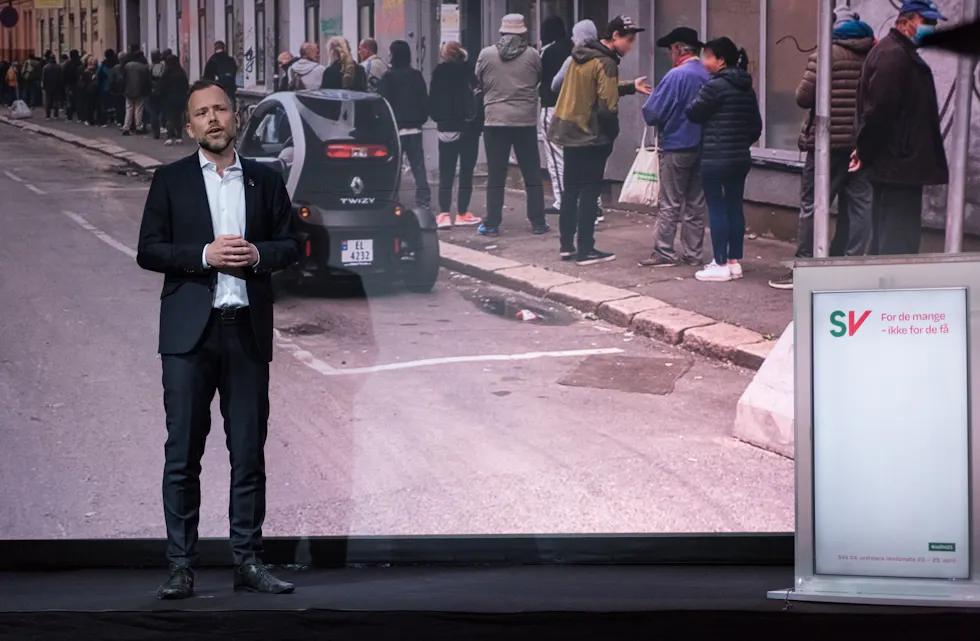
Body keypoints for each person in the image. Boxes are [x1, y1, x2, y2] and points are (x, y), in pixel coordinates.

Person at [136, 79, 300, 600]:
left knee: (248, 453)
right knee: (182, 454)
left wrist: (259, 255)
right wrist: (204, 256)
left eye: (221, 109)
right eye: (202, 112)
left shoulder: (265, 179)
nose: (213, 119)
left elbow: (292, 243)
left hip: (245, 331)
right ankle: (181, 566)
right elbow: (149, 249)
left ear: (236, 117)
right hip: (189, 336)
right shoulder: (170, 180)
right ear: (190, 127)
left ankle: (248, 561)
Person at [769, 8, 876, 290]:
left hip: (826, 145)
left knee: (813, 205)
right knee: (860, 206)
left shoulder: (825, 54)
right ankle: (854, 266)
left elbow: (803, 97)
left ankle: (806, 267)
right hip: (860, 144)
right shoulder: (872, 54)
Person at [547, 15, 652, 265]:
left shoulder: (579, 56)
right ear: (615, 36)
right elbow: (607, 106)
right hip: (592, 135)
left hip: (569, 131)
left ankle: (566, 246)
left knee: (571, 191)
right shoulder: (606, 62)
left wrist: (629, 86)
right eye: (629, 40)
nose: (630, 46)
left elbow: (590, 90)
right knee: (589, 191)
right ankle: (586, 249)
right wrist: (612, 133)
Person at [852, 0, 949, 255]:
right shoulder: (894, 56)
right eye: (926, 22)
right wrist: (864, 150)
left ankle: (886, 279)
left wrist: (864, 150)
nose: (932, 27)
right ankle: (890, 281)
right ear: (905, 22)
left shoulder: (896, 53)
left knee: (892, 241)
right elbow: (878, 113)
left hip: (898, 166)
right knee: (896, 244)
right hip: (897, 167)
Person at [685, 37, 762, 282]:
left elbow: (693, 112)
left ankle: (719, 263)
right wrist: (740, 143)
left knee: (717, 208)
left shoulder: (715, 86)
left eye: (707, 56)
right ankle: (733, 261)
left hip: (715, 158)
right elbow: (756, 127)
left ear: (720, 60)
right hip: (740, 158)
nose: (703, 61)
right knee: (734, 206)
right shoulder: (746, 87)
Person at [639, 26, 710, 268]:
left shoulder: (675, 76)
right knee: (695, 204)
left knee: (670, 202)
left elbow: (652, 113)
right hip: (703, 146)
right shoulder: (708, 73)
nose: (670, 54)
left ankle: (664, 252)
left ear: (678, 49)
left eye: (671, 49)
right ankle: (693, 254)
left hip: (677, 145)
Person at [475, 14, 548, 237]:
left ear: (501, 32)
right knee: (532, 173)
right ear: (523, 33)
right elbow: (538, 78)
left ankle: (492, 223)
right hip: (524, 120)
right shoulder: (533, 55)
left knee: (496, 174)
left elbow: (479, 79)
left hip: (495, 120)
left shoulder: (486, 54)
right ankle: (538, 222)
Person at [429, 41, 484, 229]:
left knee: (446, 171)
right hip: (469, 127)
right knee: (466, 171)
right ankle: (462, 213)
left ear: (444, 54)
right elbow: (478, 97)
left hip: (447, 127)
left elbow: (432, 101)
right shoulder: (468, 71)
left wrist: (439, 119)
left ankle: (444, 214)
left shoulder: (438, 72)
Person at [379, 40, 432, 212]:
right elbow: (424, 100)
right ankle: (423, 199)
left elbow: (383, 103)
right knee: (418, 166)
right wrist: (421, 119)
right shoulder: (416, 75)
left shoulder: (388, 77)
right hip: (414, 127)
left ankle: (393, 198)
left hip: (396, 128)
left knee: (394, 167)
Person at [538, 16, 573, 214]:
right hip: (574, 109)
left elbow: (539, 78)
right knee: (578, 156)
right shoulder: (575, 49)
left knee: (556, 156)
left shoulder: (547, 52)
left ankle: (562, 201)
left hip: (552, 107)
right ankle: (592, 204)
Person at [122, 45, 151, 136]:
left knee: (129, 109)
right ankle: (138, 127)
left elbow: (123, 78)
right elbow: (146, 80)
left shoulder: (127, 66)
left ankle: (126, 127)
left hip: (128, 90)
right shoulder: (143, 67)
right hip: (139, 90)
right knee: (138, 109)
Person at [161, 54, 189, 146]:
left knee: (169, 117)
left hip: (169, 99)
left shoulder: (166, 73)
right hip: (180, 98)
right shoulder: (182, 72)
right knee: (178, 118)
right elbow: (186, 86)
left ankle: (169, 137)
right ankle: (179, 137)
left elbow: (162, 87)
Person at [203, 40, 239, 105]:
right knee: (230, 106)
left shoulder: (212, 60)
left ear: (215, 49)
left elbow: (207, 77)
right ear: (224, 48)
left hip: (217, 91)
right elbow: (234, 71)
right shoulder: (230, 60)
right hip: (230, 90)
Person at [148, 50, 167, 140]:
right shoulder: (164, 67)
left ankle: (156, 132)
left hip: (152, 91)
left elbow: (147, 80)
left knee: (153, 112)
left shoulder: (149, 68)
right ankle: (163, 126)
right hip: (162, 91)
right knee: (162, 110)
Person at [62, 50, 82, 122]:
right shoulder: (79, 63)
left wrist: (65, 84)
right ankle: (80, 117)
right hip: (78, 84)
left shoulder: (67, 64)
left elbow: (63, 75)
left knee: (69, 101)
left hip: (69, 85)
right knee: (78, 101)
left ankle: (69, 117)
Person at [42, 54, 63, 120]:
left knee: (48, 100)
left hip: (48, 86)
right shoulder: (58, 67)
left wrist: (43, 86)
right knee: (56, 101)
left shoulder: (46, 67)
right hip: (57, 86)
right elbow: (60, 77)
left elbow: (44, 78)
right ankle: (56, 115)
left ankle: (47, 115)